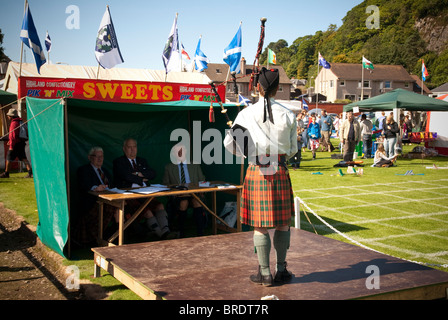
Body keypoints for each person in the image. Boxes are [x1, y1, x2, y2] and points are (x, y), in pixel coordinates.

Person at [223, 67, 297, 286]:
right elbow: (292, 148)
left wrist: (250, 153)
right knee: (283, 223)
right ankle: (281, 271)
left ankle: (265, 274)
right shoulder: (288, 113)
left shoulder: (245, 114)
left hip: (257, 169)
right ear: (276, 89)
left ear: (257, 87)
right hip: (280, 168)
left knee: (260, 224)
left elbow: (231, 144)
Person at [113, 138, 174, 240]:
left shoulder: (142, 161)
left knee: (160, 206)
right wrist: (142, 178)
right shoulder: (119, 162)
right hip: (130, 196)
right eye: (129, 147)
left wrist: (137, 174)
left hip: (146, 193)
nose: (132, 149)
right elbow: (126, 176)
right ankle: (162, 235)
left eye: (134, 147)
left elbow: (152, 173)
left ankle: (166, 231)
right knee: (147, 211)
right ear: (124, 149)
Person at [75, 147, 118, 246]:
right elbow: (84, 185)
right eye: (97, 156)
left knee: (121, 207)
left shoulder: (105, 171)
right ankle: (110, 238)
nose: (100, 159)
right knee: (114, 208)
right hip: (92, 203)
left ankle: (116, 236)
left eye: (101, 156)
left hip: (109, 201)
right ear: (90, 157)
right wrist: (95, 188)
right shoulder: (83, 170)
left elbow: (111, 186)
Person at [163, 143, 207, 237]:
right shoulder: (169, 167)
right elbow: (165, 184)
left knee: (197, 202)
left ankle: (200, 233)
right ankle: (181, 233)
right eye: (177, 151)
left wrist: (202, 190)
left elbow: (202, 180)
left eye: (182, 150)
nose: (180, 153)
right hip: (179, 196)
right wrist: (172, 193)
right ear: (174, 153)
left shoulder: (195, 165)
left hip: (194, 194)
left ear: (186, 151)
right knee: (184, 203)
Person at [0, 108, 33, 178]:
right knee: (24, 158)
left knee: (9, 158)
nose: (8, 117)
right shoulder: (20, 121)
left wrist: (11, 145)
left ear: (11, 116)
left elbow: (13, 135)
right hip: (21, 142)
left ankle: (6, 173)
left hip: (15, 144)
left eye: (9, 115)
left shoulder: (14, 123)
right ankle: (30, 172)